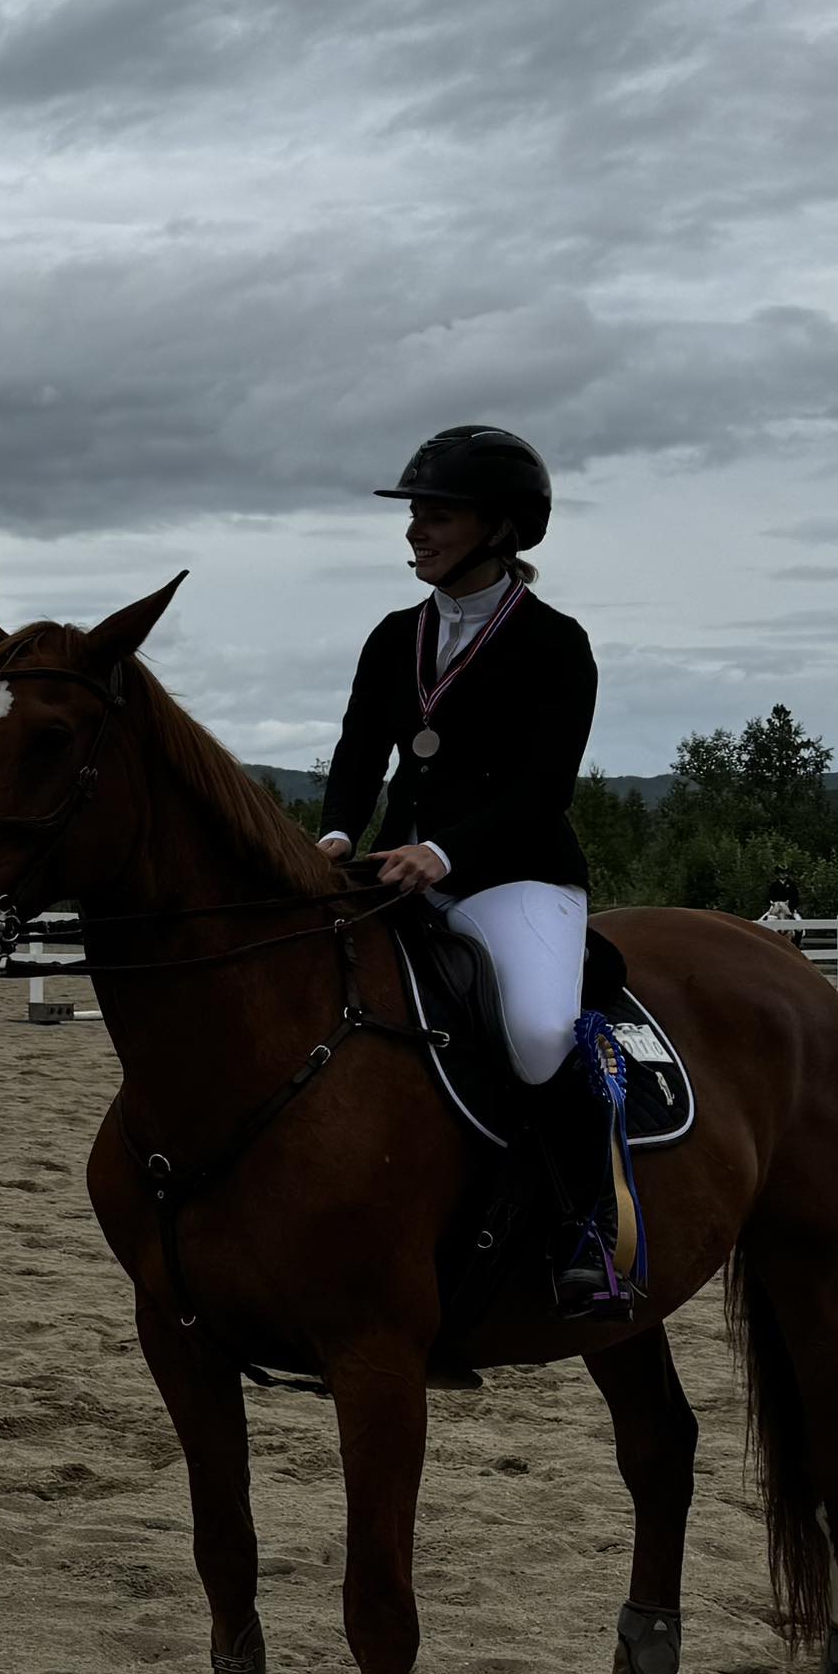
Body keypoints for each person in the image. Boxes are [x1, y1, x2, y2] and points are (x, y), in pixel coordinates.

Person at [314, 428, 614, 1307]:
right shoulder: (392, 636)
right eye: (415, 513)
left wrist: (444, 851)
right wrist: (335, 835)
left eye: (436, 514)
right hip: (391, 868)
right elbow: (357, 753)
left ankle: (586, 1225)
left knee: (536, 1033)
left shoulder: (556, 644)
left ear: (500, 527)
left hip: (514, 877)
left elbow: (542, 786)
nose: (415, 530)